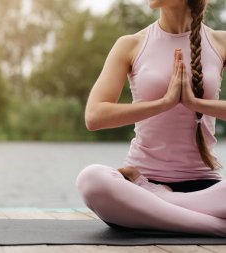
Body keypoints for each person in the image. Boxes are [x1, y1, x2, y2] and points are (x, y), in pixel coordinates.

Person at [75, 0, 226, 237]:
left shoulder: (220, 42)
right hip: (138, 186)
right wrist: (164, 103)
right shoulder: (131, 44)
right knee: (91, 179)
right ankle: (217, 227)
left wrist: (195, 103)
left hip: (207, 190)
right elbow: (94, 116)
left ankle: (162, 205)